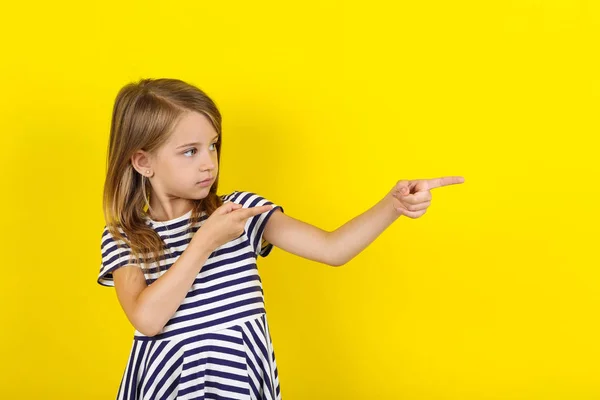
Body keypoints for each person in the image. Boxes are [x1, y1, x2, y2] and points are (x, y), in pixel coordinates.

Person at [98, 78, 465, 400]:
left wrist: (393, 205)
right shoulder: (125, 237)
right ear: (143, 162)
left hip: (238, 383)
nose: (209, 162)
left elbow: (332, 249)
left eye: (213, 145)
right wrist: (203, 243)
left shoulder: (240, 212)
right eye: (190, 151)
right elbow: (147, 319)